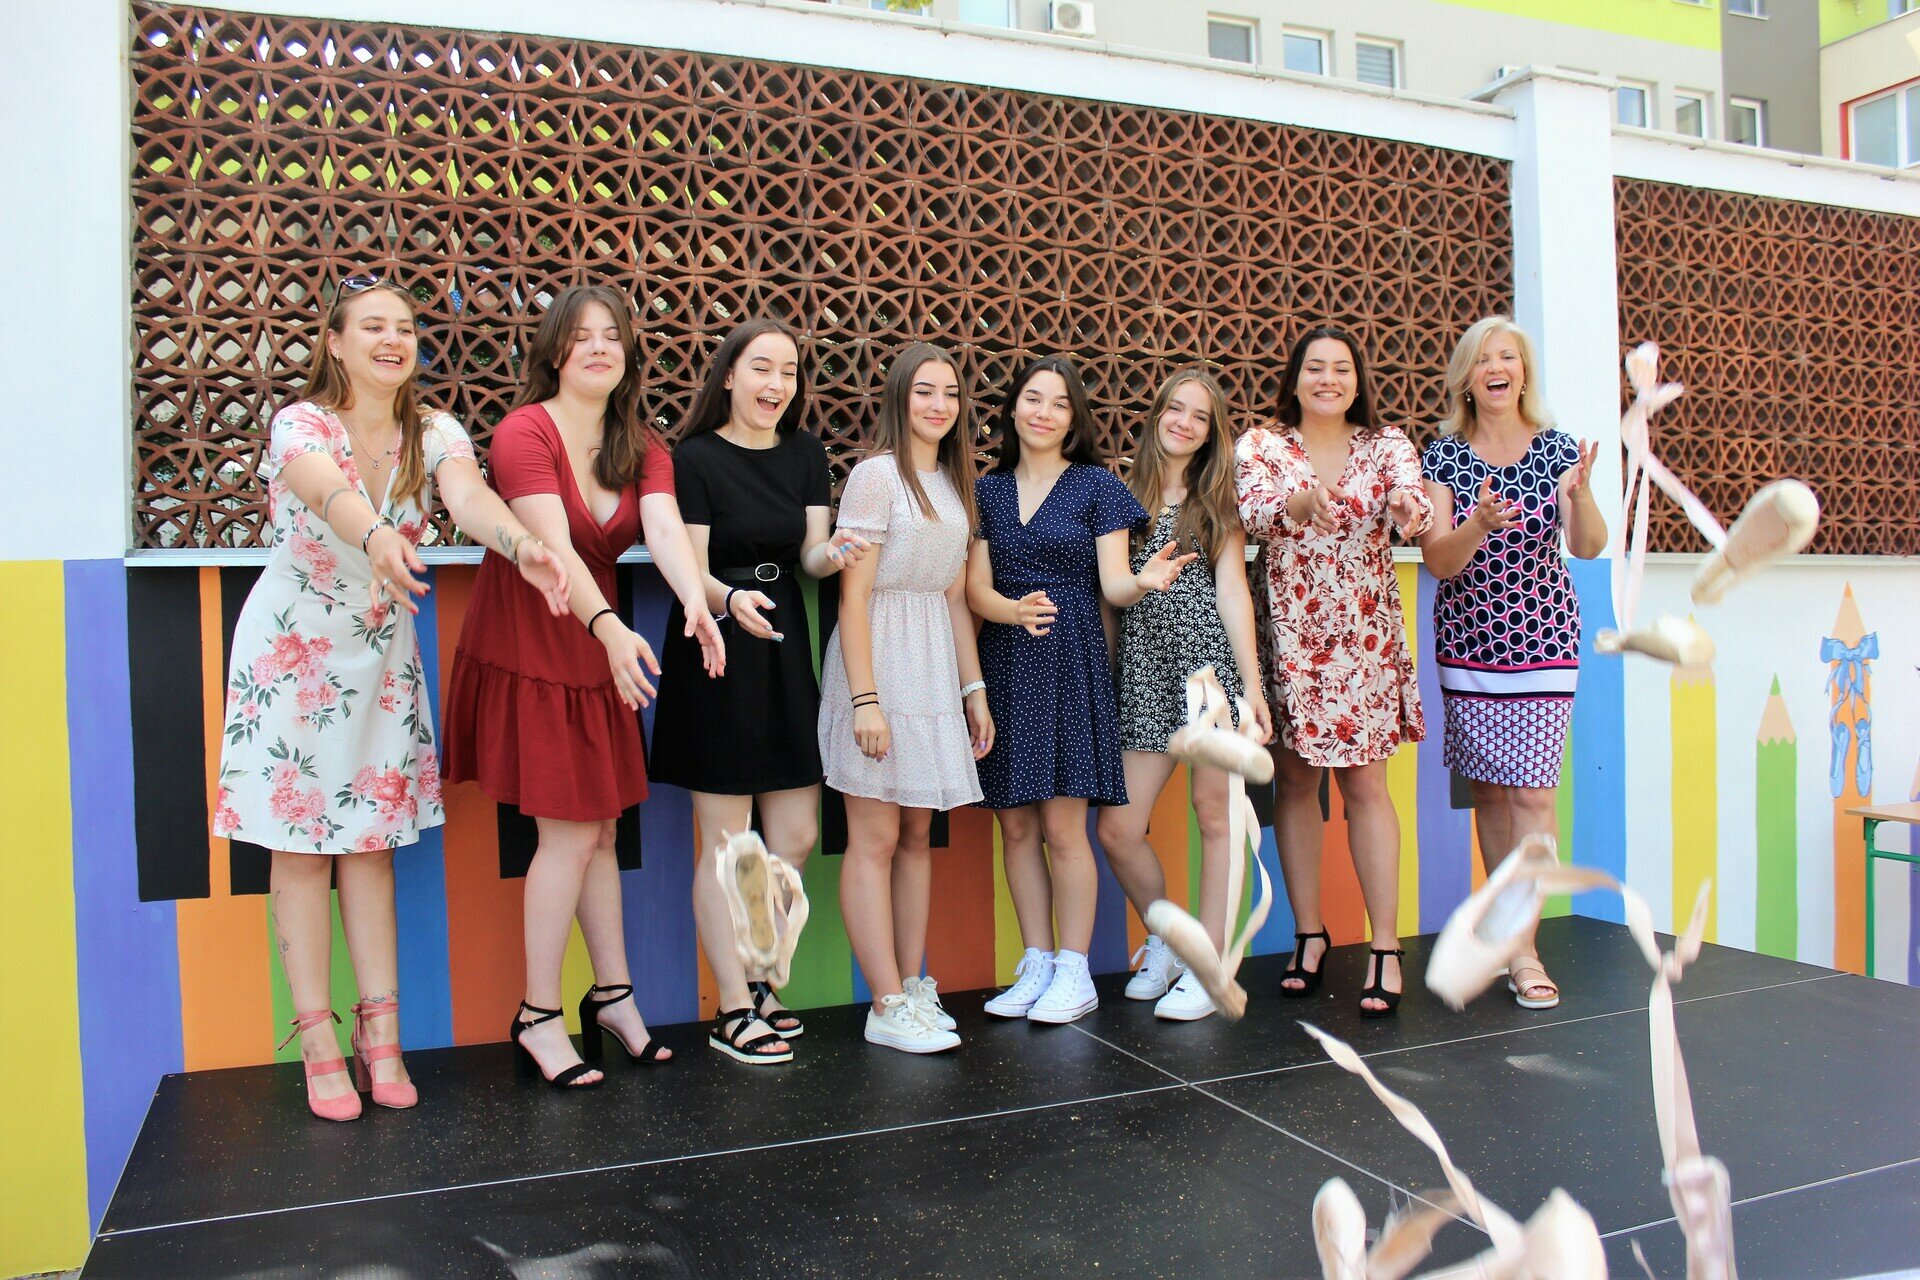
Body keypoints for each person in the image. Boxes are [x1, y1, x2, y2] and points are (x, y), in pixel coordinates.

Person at [215, 275, 570, 1119]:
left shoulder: (435, 430)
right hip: (293, 653)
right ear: (335, 343)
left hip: (379, 654)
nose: (392, 340)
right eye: (372, 326)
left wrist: (521, 544)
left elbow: (468, 497)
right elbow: (325, 491)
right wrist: (375, 533)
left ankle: (383, 1036)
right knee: (301, 850)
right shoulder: (300, 423)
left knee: (371, 849)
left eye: (405, 328)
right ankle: (317, 1040)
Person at [443, 284, 725, 1087]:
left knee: (601, 830)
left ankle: (612, 995)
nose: (600, 347)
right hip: (537, 634)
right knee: (568, 835)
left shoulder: (643, 442)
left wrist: (697, 600)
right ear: (554, 351)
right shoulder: (523, 431)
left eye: (613, 335)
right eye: (583, 335)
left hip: (602, 644)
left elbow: (664, 529)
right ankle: (537, 1014)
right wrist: (607, 629)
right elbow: (554, 548)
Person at [646, 317, 871, 1064]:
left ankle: (757, 971)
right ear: (730, 376)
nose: (777, 384)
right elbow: (691, 565)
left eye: (789, 372)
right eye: (762, 369)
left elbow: (809, 556)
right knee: (728, 843)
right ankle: (734, 1006)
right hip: (716, 641)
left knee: (796, 833)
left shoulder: (805, 453)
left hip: (781, 646)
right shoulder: (695, 459)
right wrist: (727, 600)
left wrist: (836, 552)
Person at [967, 355, 1193, 1025]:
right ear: (1012, 409)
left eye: (1059, 403)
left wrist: (1142, 582)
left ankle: (1075, 970)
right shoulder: (986, 491)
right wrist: (1011, 611)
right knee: (1014, 824)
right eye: (1033, 399)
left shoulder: (1097, 486)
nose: (1043, 412)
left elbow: (1114, 583)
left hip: (1070, 662)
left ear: (1074, 420)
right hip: (1006, 661)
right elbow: (975, 588)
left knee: (1064, 827)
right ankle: (1037, 963)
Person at [1235, 326, 1431, 1018]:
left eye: (1341, 368)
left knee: (1366, 786)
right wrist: (1296, 505)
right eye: (1314, 367)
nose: (1328, 379)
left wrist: (1408, 508)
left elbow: (1412, 501)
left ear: (1357, 380)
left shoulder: (1386, 444)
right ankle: (1309, 934)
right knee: (1295, 783)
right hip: (1289, 633)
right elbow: (1251, 513)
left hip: (1363, 636)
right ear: (1294, 379)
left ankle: (1385, 946)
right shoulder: (1261, 445)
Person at [1417, 315, 1605, 1011]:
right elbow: (1440, 559)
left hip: (1545, 638)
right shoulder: (1444, 456)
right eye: (1482, 359)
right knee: (1492, 794)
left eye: (1509, 356)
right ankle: (1505, 930)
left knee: (1533, 795)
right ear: (1466, 378)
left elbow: (1588, 545)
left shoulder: (1557, 449)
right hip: (1470, 642)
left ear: (1523, 372)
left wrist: (1580, 495)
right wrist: (1477, 524)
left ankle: (1524, 949)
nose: (1496, 367)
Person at [820, 343, 994, 1054]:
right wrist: (866, 700)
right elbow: (852, 597)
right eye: (924, 390)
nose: (938, 405)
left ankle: (914, 985)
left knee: (918, 835)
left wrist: (972, 689)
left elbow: (954, 600)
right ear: (899, 396)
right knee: (876, 838)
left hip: (931, 667)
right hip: (878, 660)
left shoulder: (954, 482)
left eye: (950, 392)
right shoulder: (875, 476)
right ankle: (885, 1002)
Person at [1096, 369, 1271, 1021]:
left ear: (1211, 433)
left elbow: (1233, 592)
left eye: (1200, 416)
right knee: (1118, 828)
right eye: (1176, 409)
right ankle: (1169, 943)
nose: (1184, 423)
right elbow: (1112, 592)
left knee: (1215, 816)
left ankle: (1210, 967)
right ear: (1156, 415)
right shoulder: (1119, 495)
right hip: (1144, 670)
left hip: (1208, 674)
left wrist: (1252, 687)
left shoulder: (1218, 501)